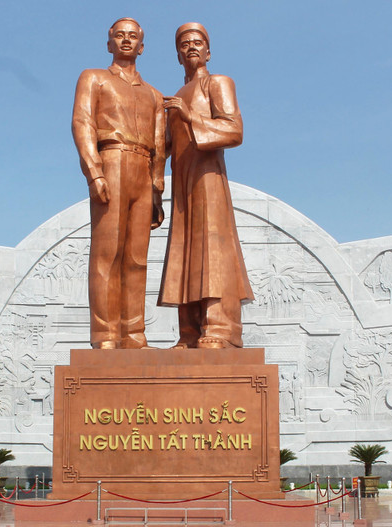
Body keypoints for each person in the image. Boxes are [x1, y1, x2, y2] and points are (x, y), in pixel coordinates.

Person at [72, 18, 166, 349]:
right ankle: (105, 336)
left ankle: (134, 334)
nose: (126, 41)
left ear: (142, 47)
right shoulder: (94, 78)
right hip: (111, 160)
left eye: (134, 37)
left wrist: (156, 191)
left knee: (136, 258)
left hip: (143, 168)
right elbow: (82, 123)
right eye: (119, 36)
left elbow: (160, 145)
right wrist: (93, 171)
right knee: (107, 253)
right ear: (109, 42)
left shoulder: (155, 95)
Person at [159, 22, 254, 349]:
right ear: (178, 55)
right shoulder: (175, 98)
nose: (191, 48)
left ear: (209, 51)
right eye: (184, 44)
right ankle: (188, 331)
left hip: (209, 178)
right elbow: (166, 146)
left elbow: (233, 130)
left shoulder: (218, 83)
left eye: (198, 42)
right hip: (183, 183)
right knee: (184, 249)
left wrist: (189, 117)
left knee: (211, 247)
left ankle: (218, 326)